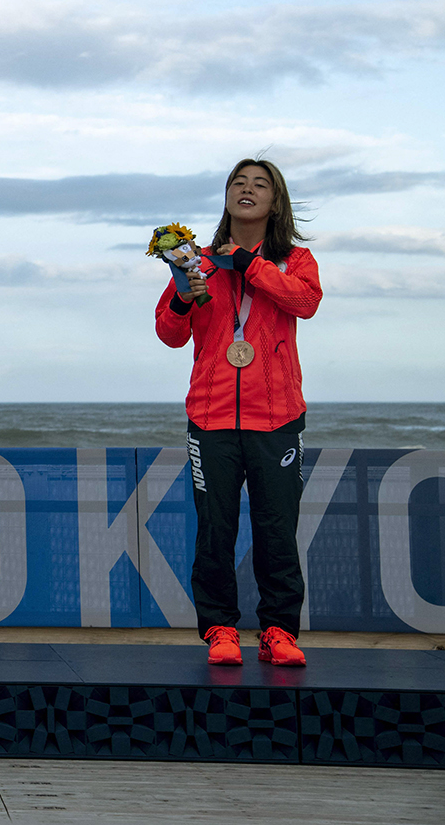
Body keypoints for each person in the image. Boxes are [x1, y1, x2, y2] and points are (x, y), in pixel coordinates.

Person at [155, 158, 321, 666]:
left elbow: (306, 302)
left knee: (277, 529)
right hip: (211, 417)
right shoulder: (195, 261)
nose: (247, 189)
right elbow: (169, 332)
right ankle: (220, 629)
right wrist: (184, 297)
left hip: (276, 418)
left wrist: (250, 265)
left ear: (276, 201)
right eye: (238, 182)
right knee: (215, 529)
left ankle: (278, 631)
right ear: (227, 195)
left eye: (260, 184)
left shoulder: (295, 260)